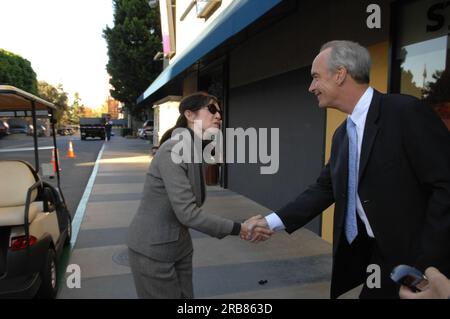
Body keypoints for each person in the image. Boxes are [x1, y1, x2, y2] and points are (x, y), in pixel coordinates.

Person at [245, 40, 450, 299]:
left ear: (340, 74)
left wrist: (429, 267)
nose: (311, 87)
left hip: (422, 266)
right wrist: (270, 222)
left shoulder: (405, 112)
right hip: (380, 260)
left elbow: (445, 186)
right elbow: (324, 188)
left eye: (316, 77)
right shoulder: (342, 135)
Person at [127, 92, 272, 299]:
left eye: (220, 111)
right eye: (212, 109)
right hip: (153, 251)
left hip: (180, 248)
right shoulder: (173, 150)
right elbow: (188, 213)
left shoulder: (195, 150)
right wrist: (239, 227)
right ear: (190, 115)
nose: (218, 115)